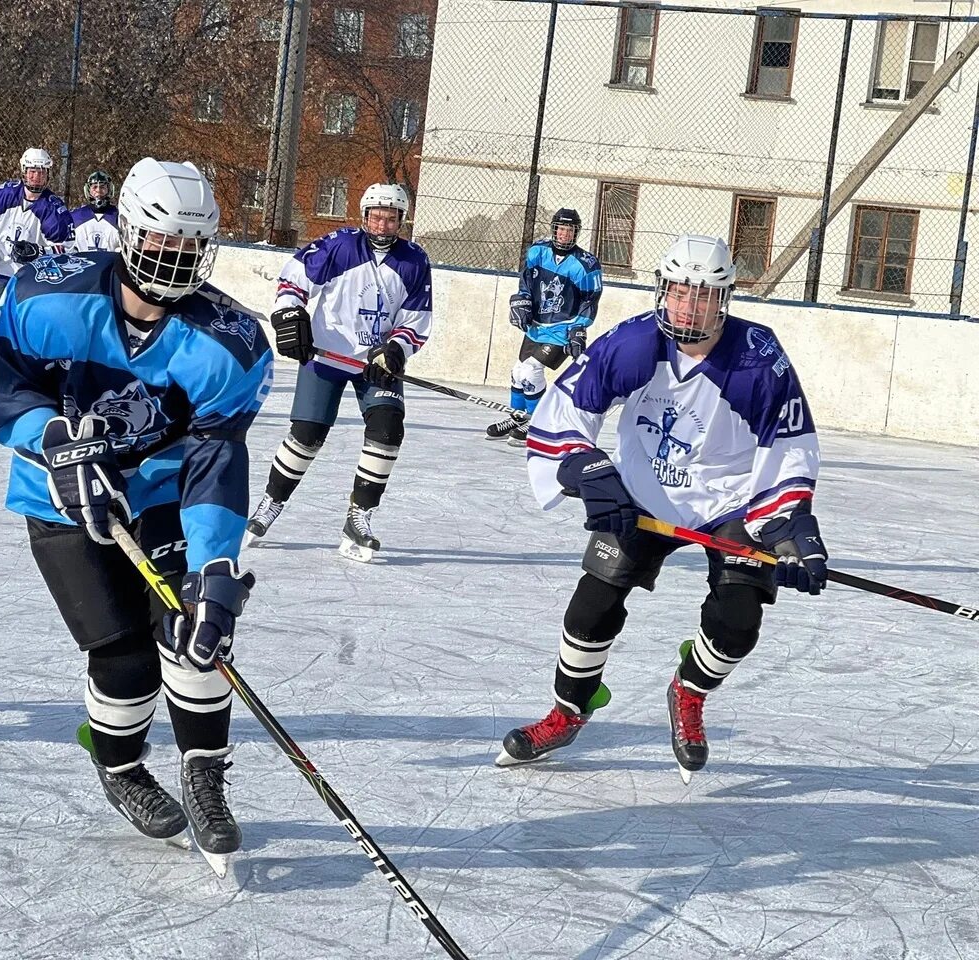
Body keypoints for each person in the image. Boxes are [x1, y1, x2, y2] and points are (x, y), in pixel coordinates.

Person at [0, 158, 272, 873]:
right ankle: (121, 768)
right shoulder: (50, 295)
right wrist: (51, 439)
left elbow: (215, 460)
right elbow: (5, 387)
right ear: (129, 233)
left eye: (189, 249)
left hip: (163, 492)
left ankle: (204, 777)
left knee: (196, 628)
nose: (173, 262)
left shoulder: (228, 342)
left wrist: (214, 567)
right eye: (162, 243)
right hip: (59, 498)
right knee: (123, 657)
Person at [497, 234, 826, 782]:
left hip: (730, 503)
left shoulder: (757, 359)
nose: (686, 305)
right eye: (677, 291)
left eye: (701, 295)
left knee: (739, 623)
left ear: (724, 300)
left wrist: (791, 523)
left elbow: (790, 444)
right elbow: (567, 409)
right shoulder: (633, 343)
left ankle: (688, 692)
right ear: (662, 290)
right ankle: (567, 711)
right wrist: (586, 468)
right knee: (590, 608)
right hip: (644, 496)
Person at [244, 182, 433, 562]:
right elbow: (292, 280)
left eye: (391, 218)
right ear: (364, 216)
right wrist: (290, 314)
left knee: (388, 430)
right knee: (307, 436)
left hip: (377, 364)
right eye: (376, 216)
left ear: (401, 220)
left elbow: (417, 318)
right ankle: (270, 503)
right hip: (326, 356)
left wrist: (395, 349)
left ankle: (359, 516)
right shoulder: (339, 245)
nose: (382, 225)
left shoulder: (414, 260)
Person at [486, 208, 601, 446]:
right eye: (560, 229)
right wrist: (522, 300)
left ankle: (535, 423)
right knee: (518, 373)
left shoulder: (585, 264)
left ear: (576, 232)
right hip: (537, 326)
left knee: (531, 370)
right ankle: (518, 419)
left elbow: (590, 299)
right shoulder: (538, 251)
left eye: (569, 230)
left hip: (562, 328)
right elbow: (526, 281)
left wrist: (579, 329)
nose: (564, 234)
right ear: (553, 229)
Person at [0, 147, 74, 310]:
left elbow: (67, 249)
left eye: (42, 172)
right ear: (24, 171)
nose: (36, 177)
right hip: (1, 270)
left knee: (23, 322)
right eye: (32, 172)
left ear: (48, 175)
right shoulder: (4, 194)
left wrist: (40, 252)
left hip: (32, 278)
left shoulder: (54, 210)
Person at [70, 170, 121, 253]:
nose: (98, 190)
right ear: (88, 190)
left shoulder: (119, 217)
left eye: (102, 187)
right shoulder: (75, 216)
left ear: (109, 190)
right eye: (94, 187)